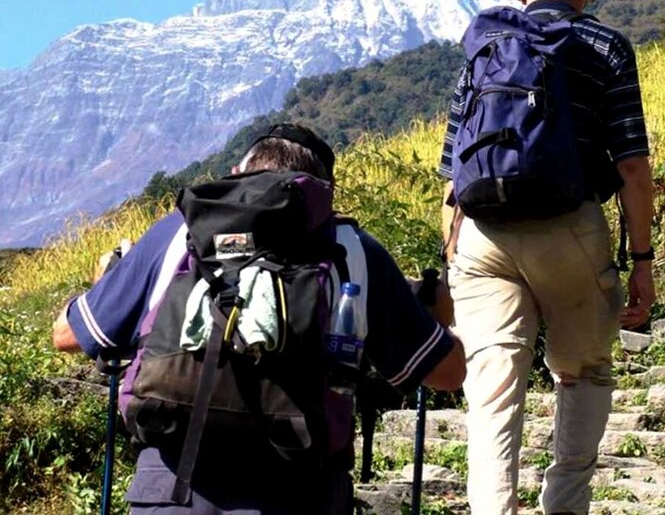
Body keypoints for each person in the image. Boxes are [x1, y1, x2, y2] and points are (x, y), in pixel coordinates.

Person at [51, 123, 466, 514]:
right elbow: (447, 374)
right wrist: (443, 317)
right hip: (301, 493)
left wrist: (106, 281)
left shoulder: (178, 233)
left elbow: (69, 335)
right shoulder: (351, 248)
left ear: (237, 173)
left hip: (171, 487)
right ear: (325, 195)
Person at [438, 0, 655, 515]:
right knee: (582, 371)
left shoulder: (486, 45)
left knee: (492, 389)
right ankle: (563, 504)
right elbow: (633, 165)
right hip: (569, 228)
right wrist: (642, 263)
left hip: (482, 234)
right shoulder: (605, 46)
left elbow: (451, 174)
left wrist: (451, 258)